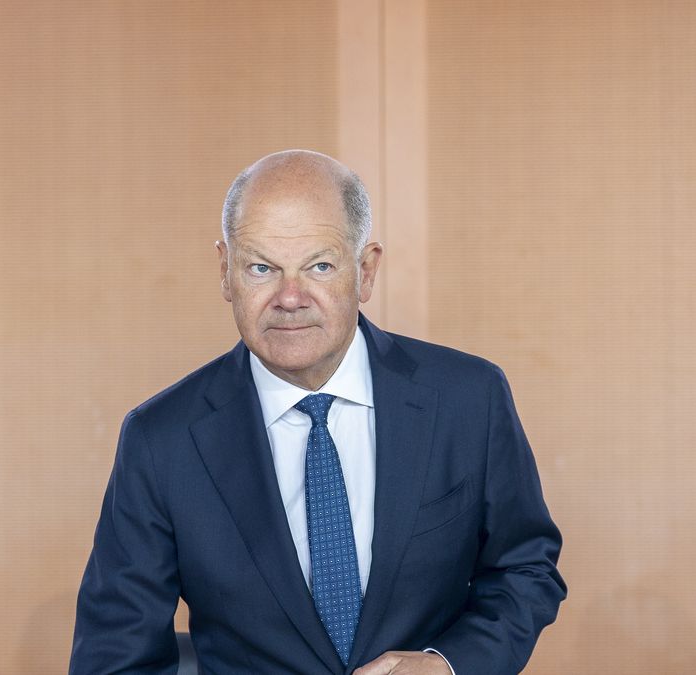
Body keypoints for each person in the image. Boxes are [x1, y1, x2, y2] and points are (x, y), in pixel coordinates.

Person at [70, 150, 565, 675]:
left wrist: (449, 665)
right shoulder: (161, 439)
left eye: (320, 266)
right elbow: (114, 656)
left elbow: (526, 569)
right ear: (225, 272)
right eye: (262, 268)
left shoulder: (469, 398)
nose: (289, 297)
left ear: (366, 270)